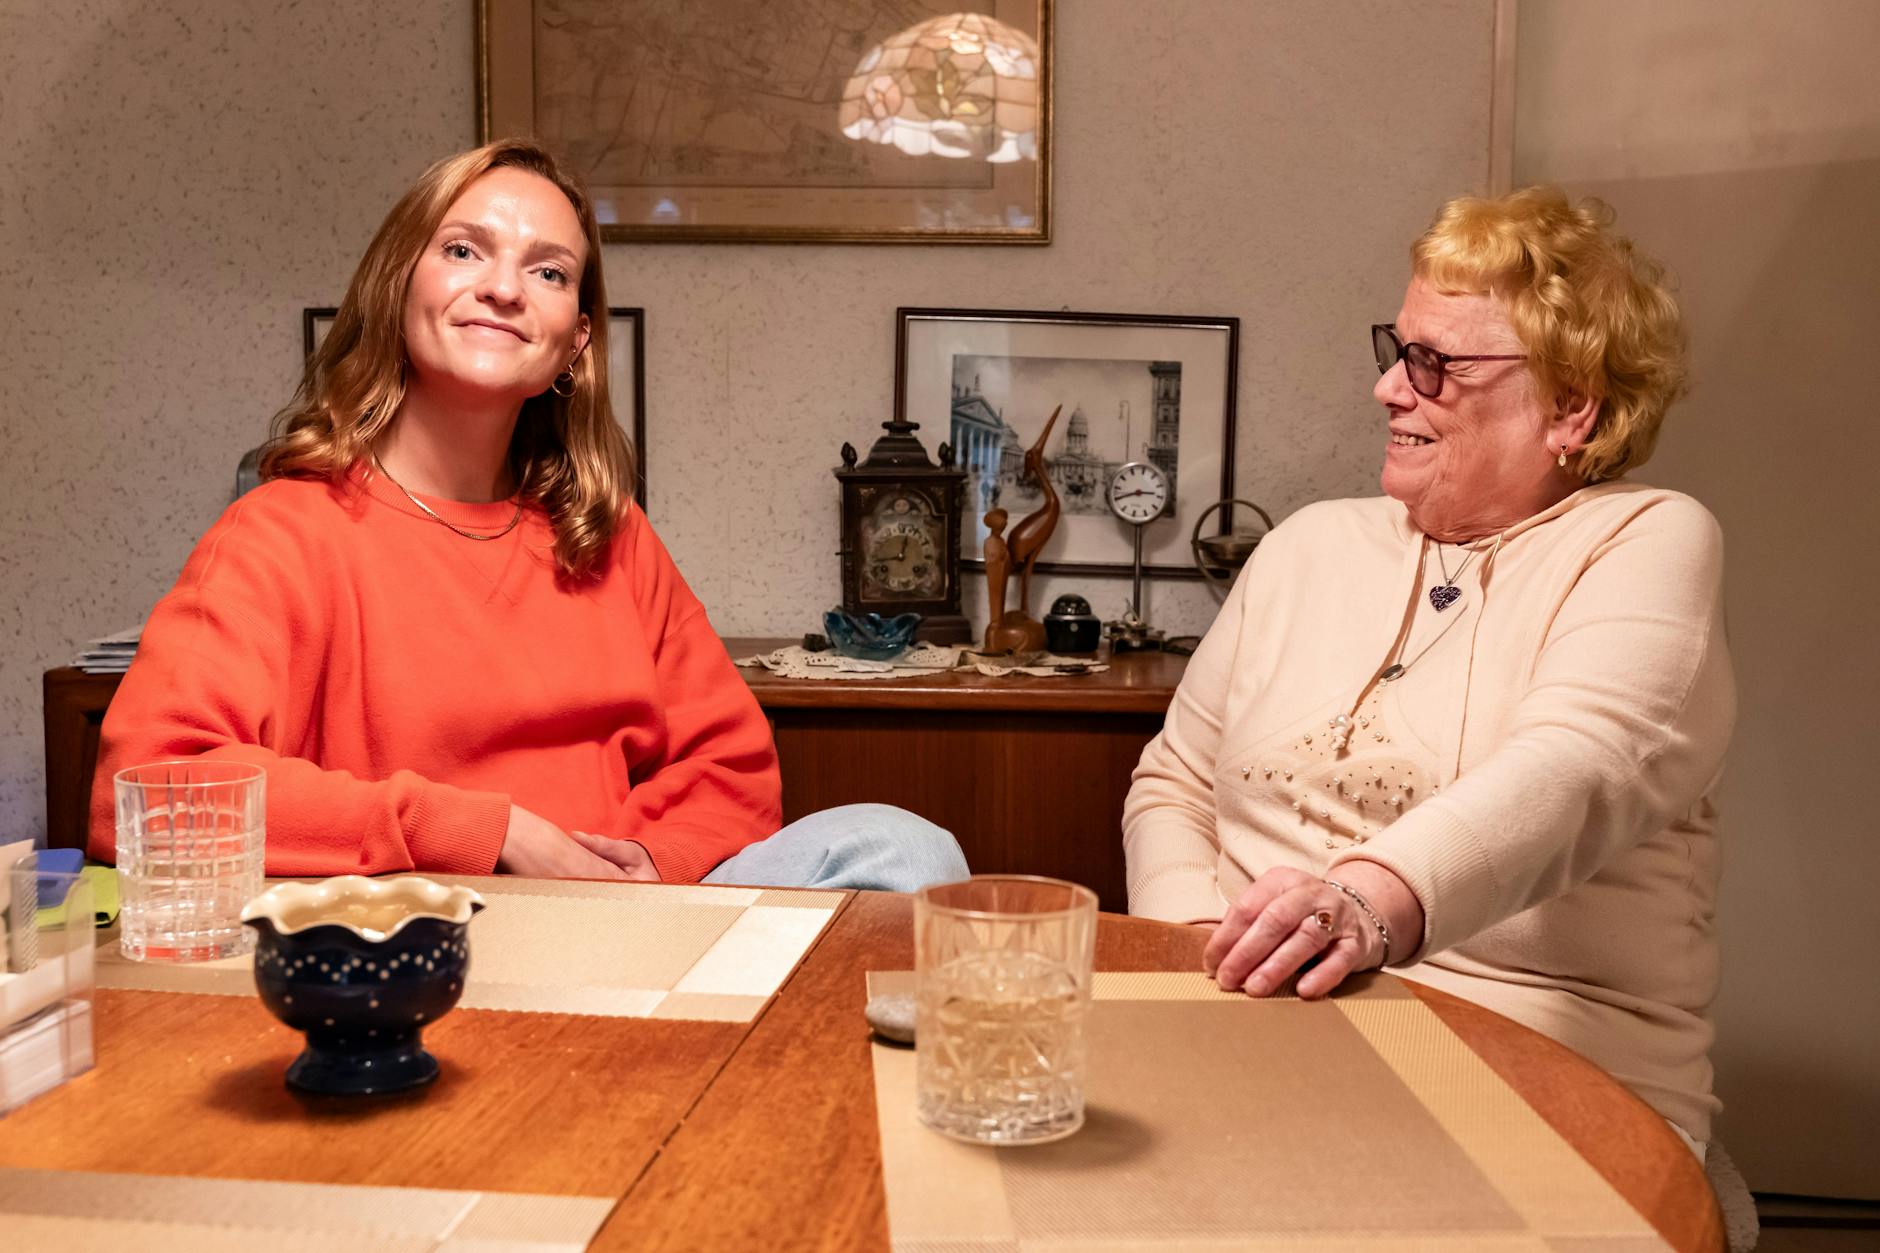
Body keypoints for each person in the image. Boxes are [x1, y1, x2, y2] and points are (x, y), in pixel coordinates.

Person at [89, 139, 966, 893]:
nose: (505, 289)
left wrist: (647, 863)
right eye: (466, 251)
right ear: (399, 285)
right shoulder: (282, 532)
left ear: (574, 344)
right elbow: (149, 793)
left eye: (548, 271)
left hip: (627, 914)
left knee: (904, 849)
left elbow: (732, 769)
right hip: (415, 925)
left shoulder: (610, 533)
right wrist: (486, 832)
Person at [1123, 186, 1733, 1155]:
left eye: (1434, 363)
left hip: (1535, 1069)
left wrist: (1365, 903)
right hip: (1250, 1043)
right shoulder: (1306, 545)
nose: (1388, 388)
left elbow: (1578, 763)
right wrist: (1197, 948)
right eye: (1397, 349)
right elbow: (1175, 780)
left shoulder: (1645, 541)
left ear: (1569, 406)